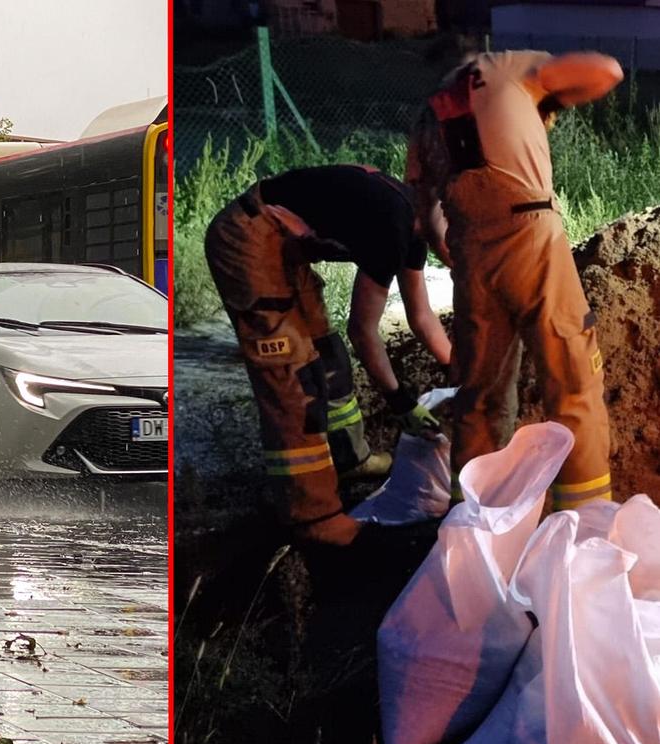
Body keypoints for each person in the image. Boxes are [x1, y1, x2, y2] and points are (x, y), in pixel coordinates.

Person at [406, 50, 623, 510]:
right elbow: (607, 72)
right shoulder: (506, 67)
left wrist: (459, 247)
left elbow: (425, 219)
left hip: (471, 254)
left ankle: (475, 522)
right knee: (573, 381)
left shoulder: (431, 111)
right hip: (530, 236)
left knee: (480, 396)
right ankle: (584, 528)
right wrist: (549, 94)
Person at [204, 164, 452, 547]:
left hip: (288, 246)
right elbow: (363, 331)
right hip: (248, 239)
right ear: (444, 209)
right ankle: (314, 516)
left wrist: (461, 371)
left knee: (328, 354)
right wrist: (400, 401)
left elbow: (421, 317)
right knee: (293, 378)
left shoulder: (414, 223)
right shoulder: (393, 223)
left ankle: (350, 460)